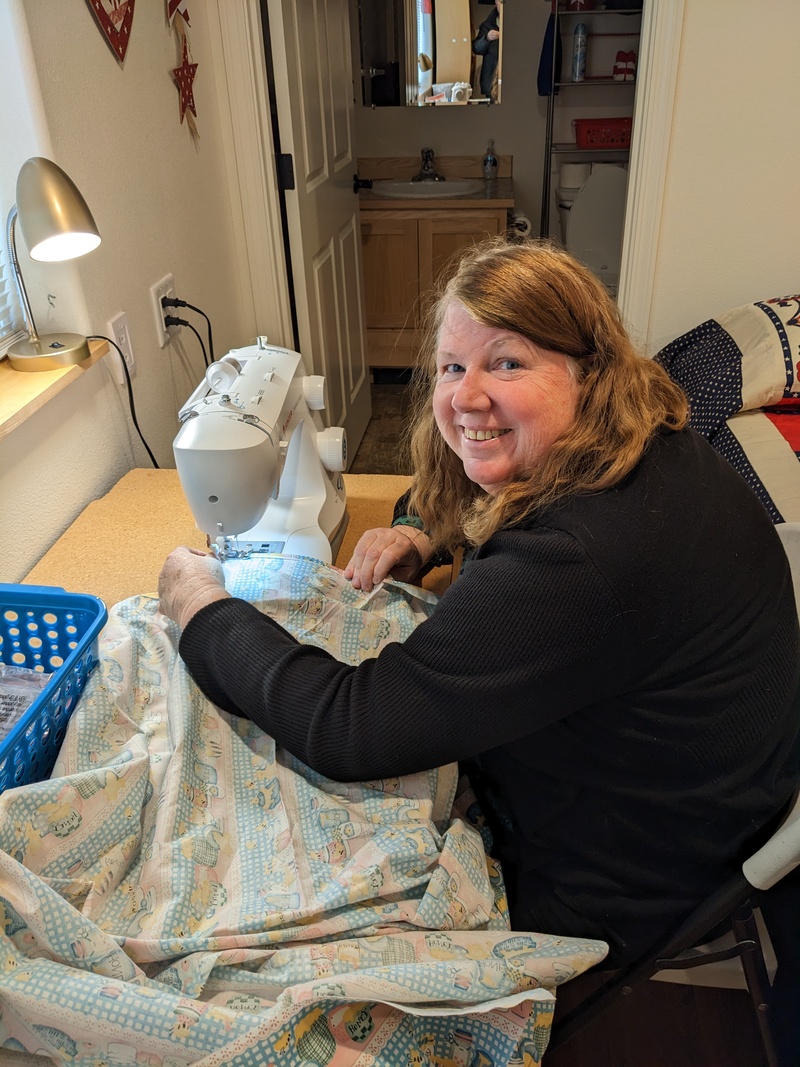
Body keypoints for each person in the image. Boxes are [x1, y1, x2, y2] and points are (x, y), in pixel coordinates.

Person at [158, 236, 800, 967]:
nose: (465, 396)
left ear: (587, 373)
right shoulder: (639, 441)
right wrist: (418, 529)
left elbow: (349, 726)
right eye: (452, 366)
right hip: (699, 790)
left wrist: (201, 604)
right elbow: (476, 464)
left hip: (619, 874)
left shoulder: (579, 557)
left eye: (507, 362)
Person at [472, 1, 501, 101]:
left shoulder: (516, 24)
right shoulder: (487, 25)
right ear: (495, 5)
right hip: (491, 81)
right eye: (500, 2)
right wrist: (487, 38)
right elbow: (476, 48)